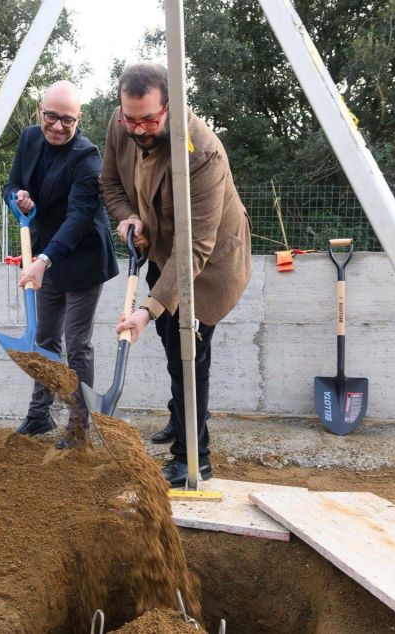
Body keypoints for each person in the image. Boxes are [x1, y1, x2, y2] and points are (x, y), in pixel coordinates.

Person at [100, 63, 252, 486]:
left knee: (188, 353)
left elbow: (196, 249)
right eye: (131, 119)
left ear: (172, 105)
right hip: (164, 249)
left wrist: (146, 310)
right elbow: (109, 183)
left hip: (210, 263)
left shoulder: (202, 152)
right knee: (170, 342)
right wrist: (128, 216)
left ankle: (193, 458)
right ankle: (181, 417)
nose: (139, 129)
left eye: (150, 119)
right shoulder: (121, 124)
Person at [3, 80, 119, 449]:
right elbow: (12, 185)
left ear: (79, 118)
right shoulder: (29, 139)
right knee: (43, 337)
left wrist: (44, 260)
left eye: (67, 120)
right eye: (51, 117)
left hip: (82, 258)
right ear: (40, 110)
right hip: (43, 255)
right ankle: (39, 415)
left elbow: (80, 216)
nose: (57, 126)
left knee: (77, 342)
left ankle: (79, 427)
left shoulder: (89, 158)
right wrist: (17, 199)